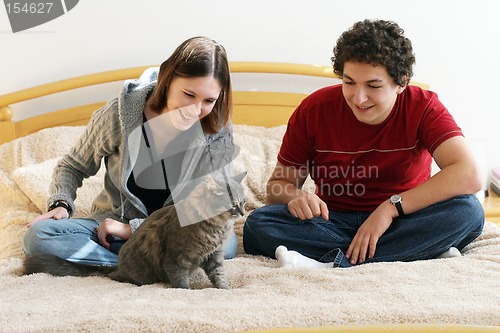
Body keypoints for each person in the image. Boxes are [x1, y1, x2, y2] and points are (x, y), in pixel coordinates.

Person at [243, 19, 485, 268]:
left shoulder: (424, 108)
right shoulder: (313, 110)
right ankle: (415, 251)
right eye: (349, 82)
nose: (358, 98)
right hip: (331, 220)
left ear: (401, 82)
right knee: (259, 224)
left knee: (469, 212)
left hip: (403, 219)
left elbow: (469, 174)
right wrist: (295, 195)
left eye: (373, 85)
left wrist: (390, 209)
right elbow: (277, 186)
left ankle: (331, 261)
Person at [24, 36, 242, 265]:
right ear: (167, 81)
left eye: (208, 100)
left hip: (174, 234)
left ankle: (120, 264)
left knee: (226, 245)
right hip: (110, 229)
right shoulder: (120, 115)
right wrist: (61, 203)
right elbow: (72, 165)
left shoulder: (217, 129)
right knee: (37, 237)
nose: (195, 109)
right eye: (188, 95)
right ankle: (147, 265)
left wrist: (133, 230)